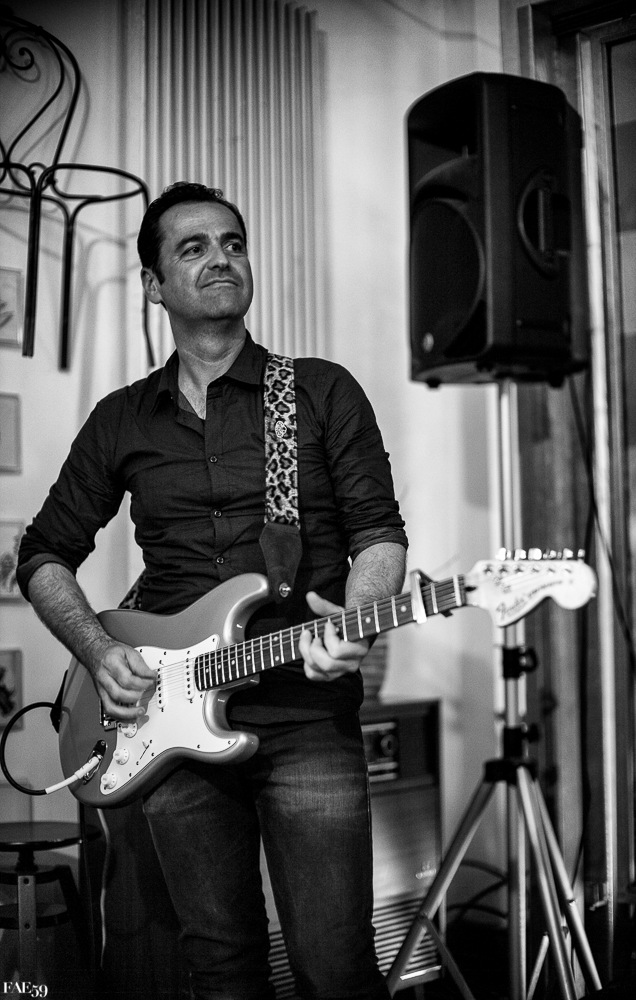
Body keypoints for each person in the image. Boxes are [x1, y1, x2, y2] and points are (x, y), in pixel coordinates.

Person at [17, 181, 408, 1000]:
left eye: (232, 242)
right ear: (154, 285)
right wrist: (100, 650)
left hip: (307, 715)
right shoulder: (122, 419)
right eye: (192, 248)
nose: (220, 258)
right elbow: (44, 553)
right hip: (169, 722)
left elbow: (378, 533)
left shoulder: (319, 391)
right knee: (220, 970)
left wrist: (359, 620)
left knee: (335, 968)